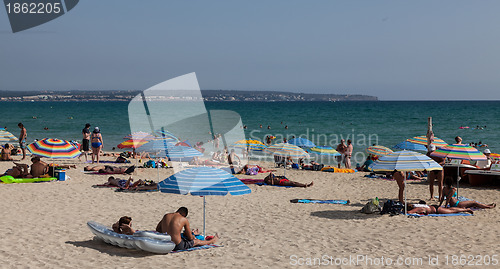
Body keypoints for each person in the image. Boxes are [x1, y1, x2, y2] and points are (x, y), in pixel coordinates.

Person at [406, 203, 473, 215]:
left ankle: (466, 210)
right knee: (450, 209)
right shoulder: (417, 205)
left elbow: (409, 212)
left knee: (451, 211)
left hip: (436, 210)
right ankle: (462, 208)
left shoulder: (417, 208)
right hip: (434, 207)